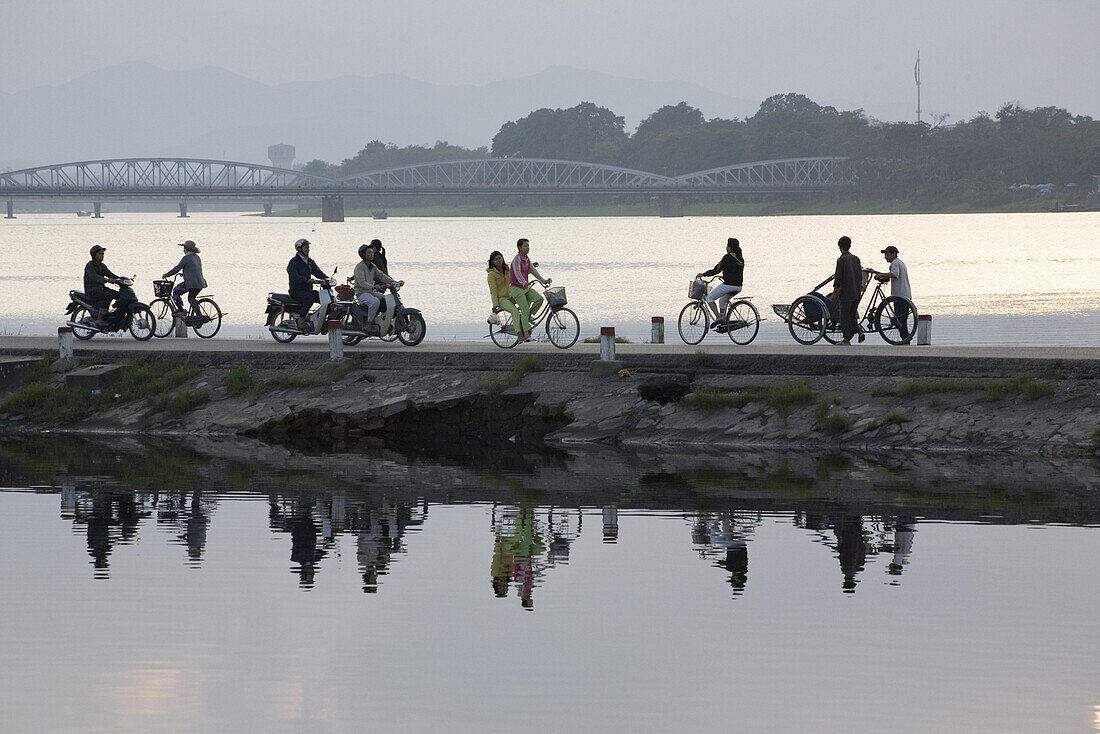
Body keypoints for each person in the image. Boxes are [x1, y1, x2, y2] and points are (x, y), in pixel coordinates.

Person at [353, 241, 402, 333]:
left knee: (386, 299)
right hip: (361, 293)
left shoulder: (372, 266)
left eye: (372, 252)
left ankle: (381, 321)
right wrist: (374, 287)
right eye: (369, 253)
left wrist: (395, 282)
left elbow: (382, 276)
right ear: (363, 254)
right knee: (375, 302)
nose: (372, 254)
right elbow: (362, 283)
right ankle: (369, 323)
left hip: (370, 292)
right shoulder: (359, 267)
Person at [695, 237, 745, 326]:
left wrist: (703, 274)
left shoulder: (727, 257)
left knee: (709, 298)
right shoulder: (740, 258)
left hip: (729, 285)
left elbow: (716, 270)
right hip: (738, 286)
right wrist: (725, 276)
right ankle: (723, 322)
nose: (726, 248)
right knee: (722, 301)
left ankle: (718, 318)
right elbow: (734, 272)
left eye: (727, 246)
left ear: (730, 247)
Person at [508, 238, 549, 343]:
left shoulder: (527, 259)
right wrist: (523, 282)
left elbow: (533, 270)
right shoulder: (517, 259)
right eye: (525, 246)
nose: (527, 248)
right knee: (525, 309)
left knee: (539, 298)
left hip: (525, 288)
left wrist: (544, 281)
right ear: (519, 247)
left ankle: (528, 317)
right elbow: (517, 272)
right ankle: (526, 335)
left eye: (528, 246)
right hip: (516, 288)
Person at [871, 245, 913, 342]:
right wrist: (876, 272)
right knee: (902, 319)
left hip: (900, 295)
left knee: (900, 320)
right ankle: (905, 339)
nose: (885, 257)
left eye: (887, 254)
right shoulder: (899, 263)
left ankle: (905, 339)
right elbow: (891, 274)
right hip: (904, 294)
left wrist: (880, 274)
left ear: (893, 254)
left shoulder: (895, 263)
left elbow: (894, 274)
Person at [287, 238, 330, 331]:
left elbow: (318, 272)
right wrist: (307, 280)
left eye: (308, 247)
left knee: (326, 300)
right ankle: (301, 320)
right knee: (309, 298)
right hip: (296, 290)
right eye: (306, 247)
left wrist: (327, 279)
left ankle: (321, 321)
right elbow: (294, 276)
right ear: (299, 249)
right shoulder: (294, 262)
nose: (308, 249)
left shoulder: (310, 261)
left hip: (307, 289)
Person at [832, 235, 865, 345]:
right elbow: (860, 275)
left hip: (846, 293)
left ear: (840, 247)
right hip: (856, 292)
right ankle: (859, 332)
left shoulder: (841, 260)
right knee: (852, 316)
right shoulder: (856, 258)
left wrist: (835, 292)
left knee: (844, 317)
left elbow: (838, 277)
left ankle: (846, 339)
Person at [162, 239, 207, 317]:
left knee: (175, 291)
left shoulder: (186, 258)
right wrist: (185, 273)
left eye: (184, 248)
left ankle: (180, 310)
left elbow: (177, 268)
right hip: (200, 282)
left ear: (186, 249)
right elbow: (194, 268)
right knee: (191, 298)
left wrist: (167, 274)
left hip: (191, 283)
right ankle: (199, 316)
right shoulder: (197, 257)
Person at [486, 250, 523, 335]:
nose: (499, 260)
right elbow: (493, 291)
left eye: (500, 258)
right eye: (496, 259)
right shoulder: (491, 275)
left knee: (524, 300)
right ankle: (519, 333)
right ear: (492, 262)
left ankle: (527, 319)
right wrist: (495, 305)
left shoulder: (507, 270)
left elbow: (517, 275)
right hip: (501, 299)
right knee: (515, 311)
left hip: (510, 295)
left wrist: (530, 269)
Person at [83, 244, 121, 326]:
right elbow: (95, 277)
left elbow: (110, 274)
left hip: (101, 288)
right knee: (108, 296)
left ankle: (111, 315)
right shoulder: (90, 266)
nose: (102, 256)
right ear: (94, 255)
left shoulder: (102, 266)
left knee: (120, 295)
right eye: (100, 254)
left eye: (103, 254)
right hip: (92, 290)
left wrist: (121, 280)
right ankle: (99, 319)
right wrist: (106, 280)